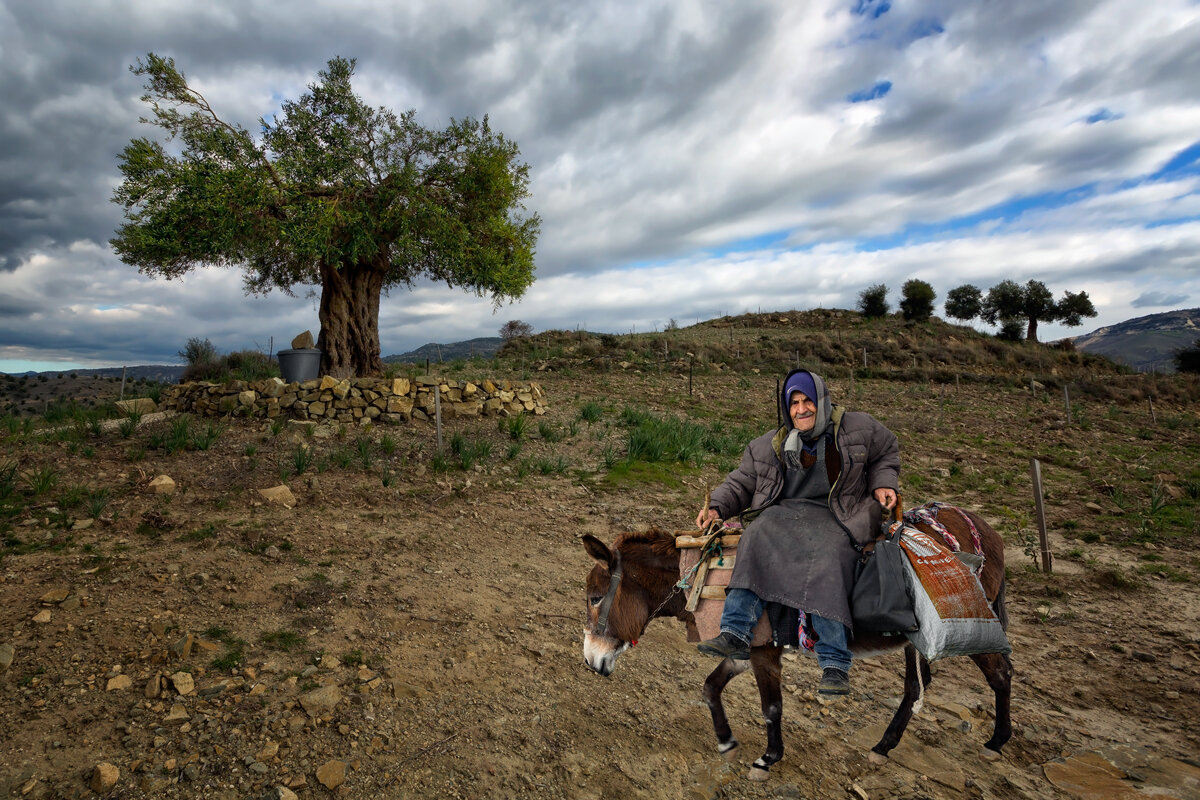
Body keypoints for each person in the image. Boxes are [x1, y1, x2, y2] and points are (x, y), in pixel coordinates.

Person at [696, 369, 899, 695]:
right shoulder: (768, 445)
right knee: (755, 535)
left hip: (840, 514)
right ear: (785, 407)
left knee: (829, 555)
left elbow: (886, 452)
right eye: (794, 403)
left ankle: (834, 662)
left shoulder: (858, 428)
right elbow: (741, 482)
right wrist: (717, 506)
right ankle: (735, 633)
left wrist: (884, 482)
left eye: (808, 401)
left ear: (821, 400)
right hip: (785, 514)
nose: (801, 409)